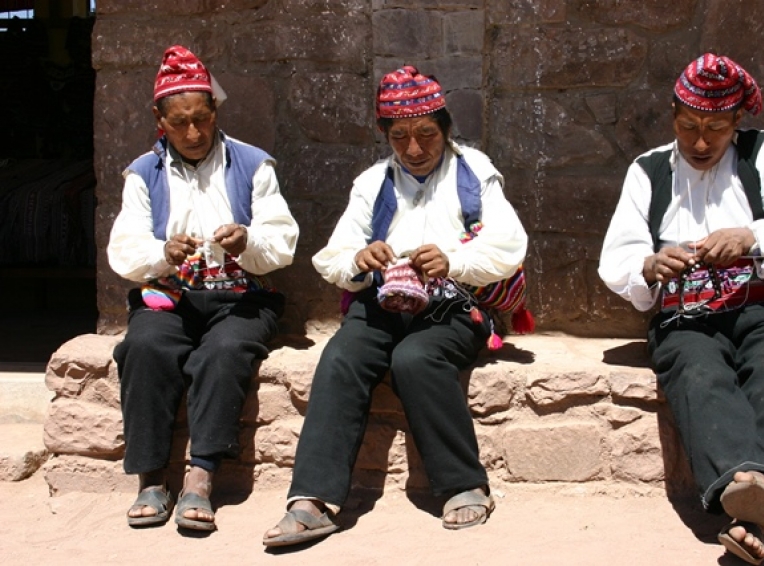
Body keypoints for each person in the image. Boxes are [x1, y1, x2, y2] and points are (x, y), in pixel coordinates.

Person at [262, 66, 528, 547]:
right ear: (385, 134)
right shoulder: (371, 183)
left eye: (427, 134)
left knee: (417, 358)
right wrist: (362, 261)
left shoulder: (475, 174)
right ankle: (312, 500)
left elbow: (510, 246)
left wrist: (454, 260)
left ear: (446, 129)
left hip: (451, 304)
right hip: (384, 302)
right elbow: (335, 254)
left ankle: (464, 484)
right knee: (342, 357)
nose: (414, 148)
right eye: (400, 136)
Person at [599, 53, 764, 565]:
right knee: (697, 373)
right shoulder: (647, 170)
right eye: (689, 126)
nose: (700, 142)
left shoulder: (762, 153)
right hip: (686, 316)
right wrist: (651, 264)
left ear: (737, 122)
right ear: (673, 116)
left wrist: (750, 236)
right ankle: (755, 502)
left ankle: (749, 505)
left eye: (716, 129)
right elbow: (617, 258)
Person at [108, 45, 299, 531]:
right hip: (170, 297)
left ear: (215, 111)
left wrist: (247, 241)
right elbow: (125, 251)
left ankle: (201, 476)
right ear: (160, 119)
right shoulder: (142, 174)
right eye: (179, 122)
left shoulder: (255, 166)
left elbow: (282, 243)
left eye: (201, 118)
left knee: (226, 349)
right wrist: (161, 254)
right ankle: (151, 478)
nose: (193, 132)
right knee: (145, 346)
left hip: (241, 297)